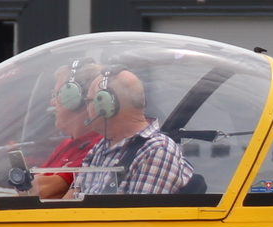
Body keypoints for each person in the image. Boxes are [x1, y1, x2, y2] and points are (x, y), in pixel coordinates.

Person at [75, 67, 195, 196]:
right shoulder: (100, 148)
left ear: (104, 106)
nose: (86, 108)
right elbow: (72, 201)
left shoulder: (157, 150)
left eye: (88, 101)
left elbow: (141, 214)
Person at [23, 61, 101, 199]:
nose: (52, 102)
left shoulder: (97, 147)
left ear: (76, 99)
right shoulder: (65, 145)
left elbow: (38, 192)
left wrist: (34, 184)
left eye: (57, 94)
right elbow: (29, 186)